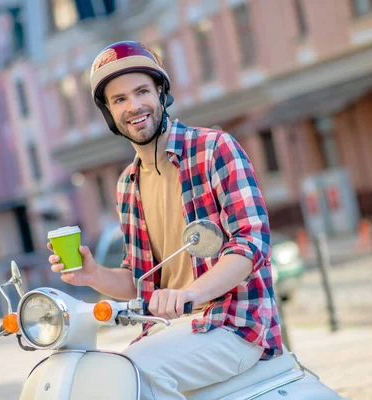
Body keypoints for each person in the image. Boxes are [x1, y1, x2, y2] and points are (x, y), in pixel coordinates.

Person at [49, 41, 282, 399]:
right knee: (94, 378)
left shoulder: (214, 149)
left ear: (161, 92)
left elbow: (250, 245)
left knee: (135, 377)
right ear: (110, 113)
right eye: (119, 99)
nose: (134, 106)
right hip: (167, 329)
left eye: (142, 91)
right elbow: (142, 282)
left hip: (234, 326)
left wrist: (188, 295)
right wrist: (91, 274)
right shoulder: (127, 185)